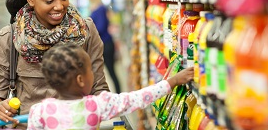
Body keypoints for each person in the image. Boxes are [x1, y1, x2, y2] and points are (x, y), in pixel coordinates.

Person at [0, 0, 109, 129]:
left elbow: (99, 87)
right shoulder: (9, 37)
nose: (59, 6)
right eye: (50, 1)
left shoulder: (85, 31)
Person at [27, 42, 194, 129]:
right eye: (90, 70)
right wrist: (172, 81)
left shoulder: (38, 111)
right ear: (80, 80)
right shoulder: (96, 105)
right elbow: (138, 98)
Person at [85, 0, 121, 93]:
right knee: (104, 72)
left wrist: (88, 31)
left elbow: (100, 27)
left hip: (106, 44)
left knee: (111, 72)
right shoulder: (97, 7)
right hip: (103, 43)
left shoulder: (100, 9)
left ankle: (118, 94)